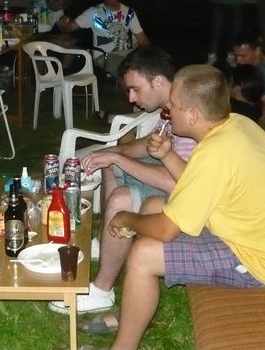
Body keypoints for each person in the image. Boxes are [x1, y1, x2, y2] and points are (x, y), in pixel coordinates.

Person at [77, 65, 265, 350]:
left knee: (144, 255)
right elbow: (196, 182)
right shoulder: (234, 125)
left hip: (260, 259)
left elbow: (166, 230)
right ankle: (134, 309)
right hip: (255, 232)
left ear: (194, 115)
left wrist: (125, 218)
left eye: (174, 105)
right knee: (153, 205)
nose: (167, 110)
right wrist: (168, 155)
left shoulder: (215, 152)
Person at [49, 46, 196, 317]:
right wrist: (114, 151)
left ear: (158, 82)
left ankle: (102, 291)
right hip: (172, 172)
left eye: (135, 89)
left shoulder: (186, 115)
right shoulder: (169, 107)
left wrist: (119, 158)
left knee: (121, 199)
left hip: (188, 192)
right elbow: (150, 144)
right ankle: (106, 239)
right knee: (111, 162)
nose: (131, 98)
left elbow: (176, 183)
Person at [58, 0, 151, 76]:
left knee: (147, 65)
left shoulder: (129, 12)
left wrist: (151, 54)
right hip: (105, 55)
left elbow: (142, 38)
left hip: (126, 54)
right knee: (127, 68)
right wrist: (64, 21)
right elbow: (70, 27)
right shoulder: (94, 12)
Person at [232, 29, 265, 121]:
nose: (238, 60)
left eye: (243, 56)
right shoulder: (249, 66)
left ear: (257, 50)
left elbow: (263, 116)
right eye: (236, 56)